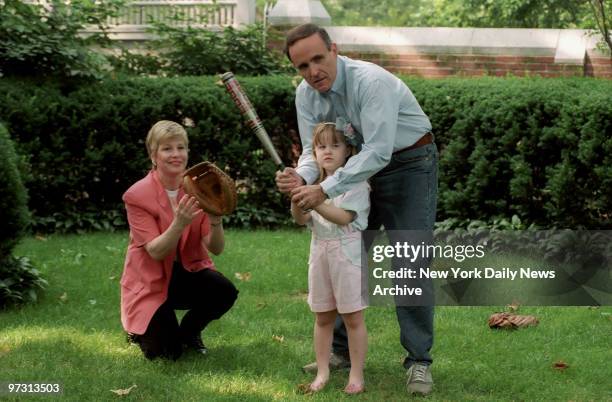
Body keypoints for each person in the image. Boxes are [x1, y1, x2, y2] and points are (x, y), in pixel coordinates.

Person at [276, 24, 438, 395]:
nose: (312, 71)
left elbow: (378, 151)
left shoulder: (370, 81)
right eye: (302, 66)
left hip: (406, 163)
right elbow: (308, 151)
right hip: (350, 168)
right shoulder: (307, 95)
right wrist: (300, 179)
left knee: (409, 259)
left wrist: (324, 188)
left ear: (335, 50)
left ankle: (418, 362)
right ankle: (340, 351)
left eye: (318, 58)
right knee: (346, 252)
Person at [120, 120, 238, 360]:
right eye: (167, 148)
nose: (176, 154)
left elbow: (216, 248)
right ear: (153, 155)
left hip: (186, 273)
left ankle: (190, 333)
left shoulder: (198, 188)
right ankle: (139, 330)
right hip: (150, 280)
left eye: (181, 147)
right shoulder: (136, 195)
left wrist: (216, 219)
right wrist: (179, 224)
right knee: (167, 354)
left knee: (224, 291)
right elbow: (155, 251)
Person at [291, 122, 369, 395]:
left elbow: (344, 216)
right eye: (321, 146)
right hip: (320, 253)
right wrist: (296, 195)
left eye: (335, 145)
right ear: (314, 152)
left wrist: (317, 201)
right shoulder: (313, 184)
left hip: (347, 256)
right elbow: (301, 219)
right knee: (322, 316)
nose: (328, 151)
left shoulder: (356, 183)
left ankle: (356, 374)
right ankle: (323, 371)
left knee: (352, 317)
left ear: (348, 150)